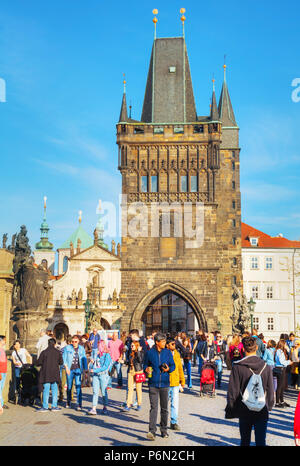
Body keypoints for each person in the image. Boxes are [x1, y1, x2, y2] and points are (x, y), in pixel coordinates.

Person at [225, 336, 274, 446]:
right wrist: (269, 405)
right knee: (261, 441)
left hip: (244, 407)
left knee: (245, 441)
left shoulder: (238, 367)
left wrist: (231, 408)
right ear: (256, 348)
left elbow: (233, 390)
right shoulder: (266, 366)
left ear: (243, 349)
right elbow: (270, 388)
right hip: (261, 407)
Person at [143, 333, 175, 440]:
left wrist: (168, 369)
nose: (165, 343)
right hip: (153, 384)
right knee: (153, 408)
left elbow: (173, 365)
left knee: (164, 408)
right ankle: (152, 431)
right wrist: (146, 369)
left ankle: (164, 430)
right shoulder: (149, 353)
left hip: (165, 383)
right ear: (157, 342)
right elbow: (145, 364)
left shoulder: (167, 352)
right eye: (163, 342)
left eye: (165, 341)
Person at [36, 338, 63, 412]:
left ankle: (45, 407)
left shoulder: (44, 352)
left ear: (48, 344)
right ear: (54, 344)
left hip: (46, 374)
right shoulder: (58, 352)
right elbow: (61, 362)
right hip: (55, 374)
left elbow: (38, 363)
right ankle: (54, 406)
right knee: (54, 389)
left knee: (46, 390)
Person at [63, 335, 88, 411]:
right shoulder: (67, 348)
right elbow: (64, 358)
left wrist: (86, 369)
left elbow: (84, 359)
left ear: (78, 342)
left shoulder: (81, 348)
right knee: (69, 387)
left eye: (75, 342)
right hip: (70, 369)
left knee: (78, 386)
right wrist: (66, 367)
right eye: (73, 341)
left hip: (78, 369)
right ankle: (68, 401)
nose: (74, 343)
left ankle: (79, 403)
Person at [166, 337, 185, 431]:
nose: (175, 346)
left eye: (175, 344)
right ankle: (163, 421)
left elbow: (180, 368)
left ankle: (173, 422)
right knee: (164, 404)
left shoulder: (177, 354)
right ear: (167, 345)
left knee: (175, 403)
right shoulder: (164, 354)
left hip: (175, 382)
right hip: (166, 382)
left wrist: (182, 380)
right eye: (173, 344)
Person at [88, 342, 112, 415]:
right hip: (95, 375)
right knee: (95, 392)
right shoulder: (98, 354)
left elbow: (105, 367)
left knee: (104, 392)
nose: (98, 348)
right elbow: (95, 365)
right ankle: (94, 408)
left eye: (99, 346)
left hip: (103, 375)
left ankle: (105, 407)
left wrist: (94, 370)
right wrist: (92, 363)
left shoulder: (107, 355)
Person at [123, 339, 144, 412]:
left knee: (138, 389)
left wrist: (138, 352)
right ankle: (128, 404)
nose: (131, 347)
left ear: (136, 346)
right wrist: (125, 361)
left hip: (138, 371)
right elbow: (127, 361)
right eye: (131, 345)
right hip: (131, 371)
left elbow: (140, 360)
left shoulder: (140, 352)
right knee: (130, 388)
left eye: (132, 345)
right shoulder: (130, 352)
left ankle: (139, 403)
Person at [273, 339, 292, 408]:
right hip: (280, 369)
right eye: (285, 344)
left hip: (280, 369)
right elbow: (282, 362)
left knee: (281, 386)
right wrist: (289, 362)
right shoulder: (280, 351)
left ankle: (281, 401)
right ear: (283, 344)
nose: (286, 345)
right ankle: (277, 402)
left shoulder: (279, 351)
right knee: (280, 386)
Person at [0, 335, 7, 415]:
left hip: (4, 371)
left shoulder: (2, 350)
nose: (5, 341)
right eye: (4, 340)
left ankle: (1, 404)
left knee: (1, 388)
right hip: (1, 372)